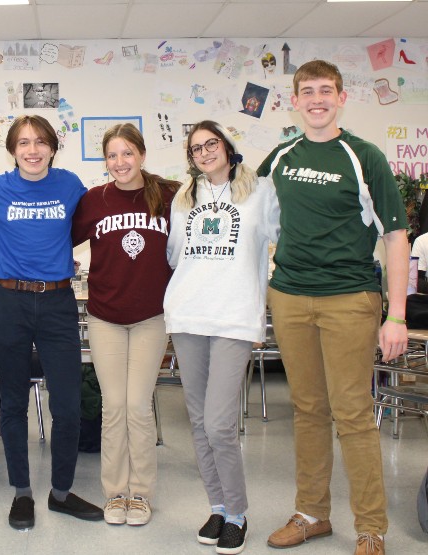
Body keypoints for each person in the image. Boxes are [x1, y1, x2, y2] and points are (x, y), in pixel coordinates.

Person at [258, 60, 409, 555]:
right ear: (294, 101)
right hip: (290, 296)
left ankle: (371, 527)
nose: (317, 98)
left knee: (353, 413)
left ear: (341, 97)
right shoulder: (279, 158)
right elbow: (255, 221)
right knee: (307, 410)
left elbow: (396, 236)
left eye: (326, 90)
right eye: (308, 91)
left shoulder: (364, 156)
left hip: (349, 298)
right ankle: (312, 514)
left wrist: (397, 315)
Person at [0, 114, 103, 530]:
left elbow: (101, 216)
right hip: (9, 301)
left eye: (41, 141)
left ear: (52, 147)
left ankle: (61, 493)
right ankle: (22, 493)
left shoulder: (69, 185)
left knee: (65, 404)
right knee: (12, 403)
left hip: (59, 302)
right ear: (12, 149)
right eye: (24, 142)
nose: (32, 150)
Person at [165, 120, 280, 554]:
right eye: (196, 148)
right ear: (191, 158)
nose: (205, 152)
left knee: (219, 423)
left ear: (228, 148)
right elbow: (176, 254)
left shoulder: (260, 192)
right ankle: (216, 506)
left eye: (211, 144)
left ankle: (237, 512)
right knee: (198, 422)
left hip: (234, 319)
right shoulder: (184, 197)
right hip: (189, 315)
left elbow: (282, 238)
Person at [71, 123, 178, 527]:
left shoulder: (167, 196)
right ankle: (115, 493)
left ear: (142, 154)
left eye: (127, 153)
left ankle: (142, 494)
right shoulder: (94, 200)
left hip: (151, 317)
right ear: (106, 161)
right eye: (112, 155)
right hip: (105, 317)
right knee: (113, 406)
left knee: (137, 405)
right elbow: (58, 239)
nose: (120, 162)